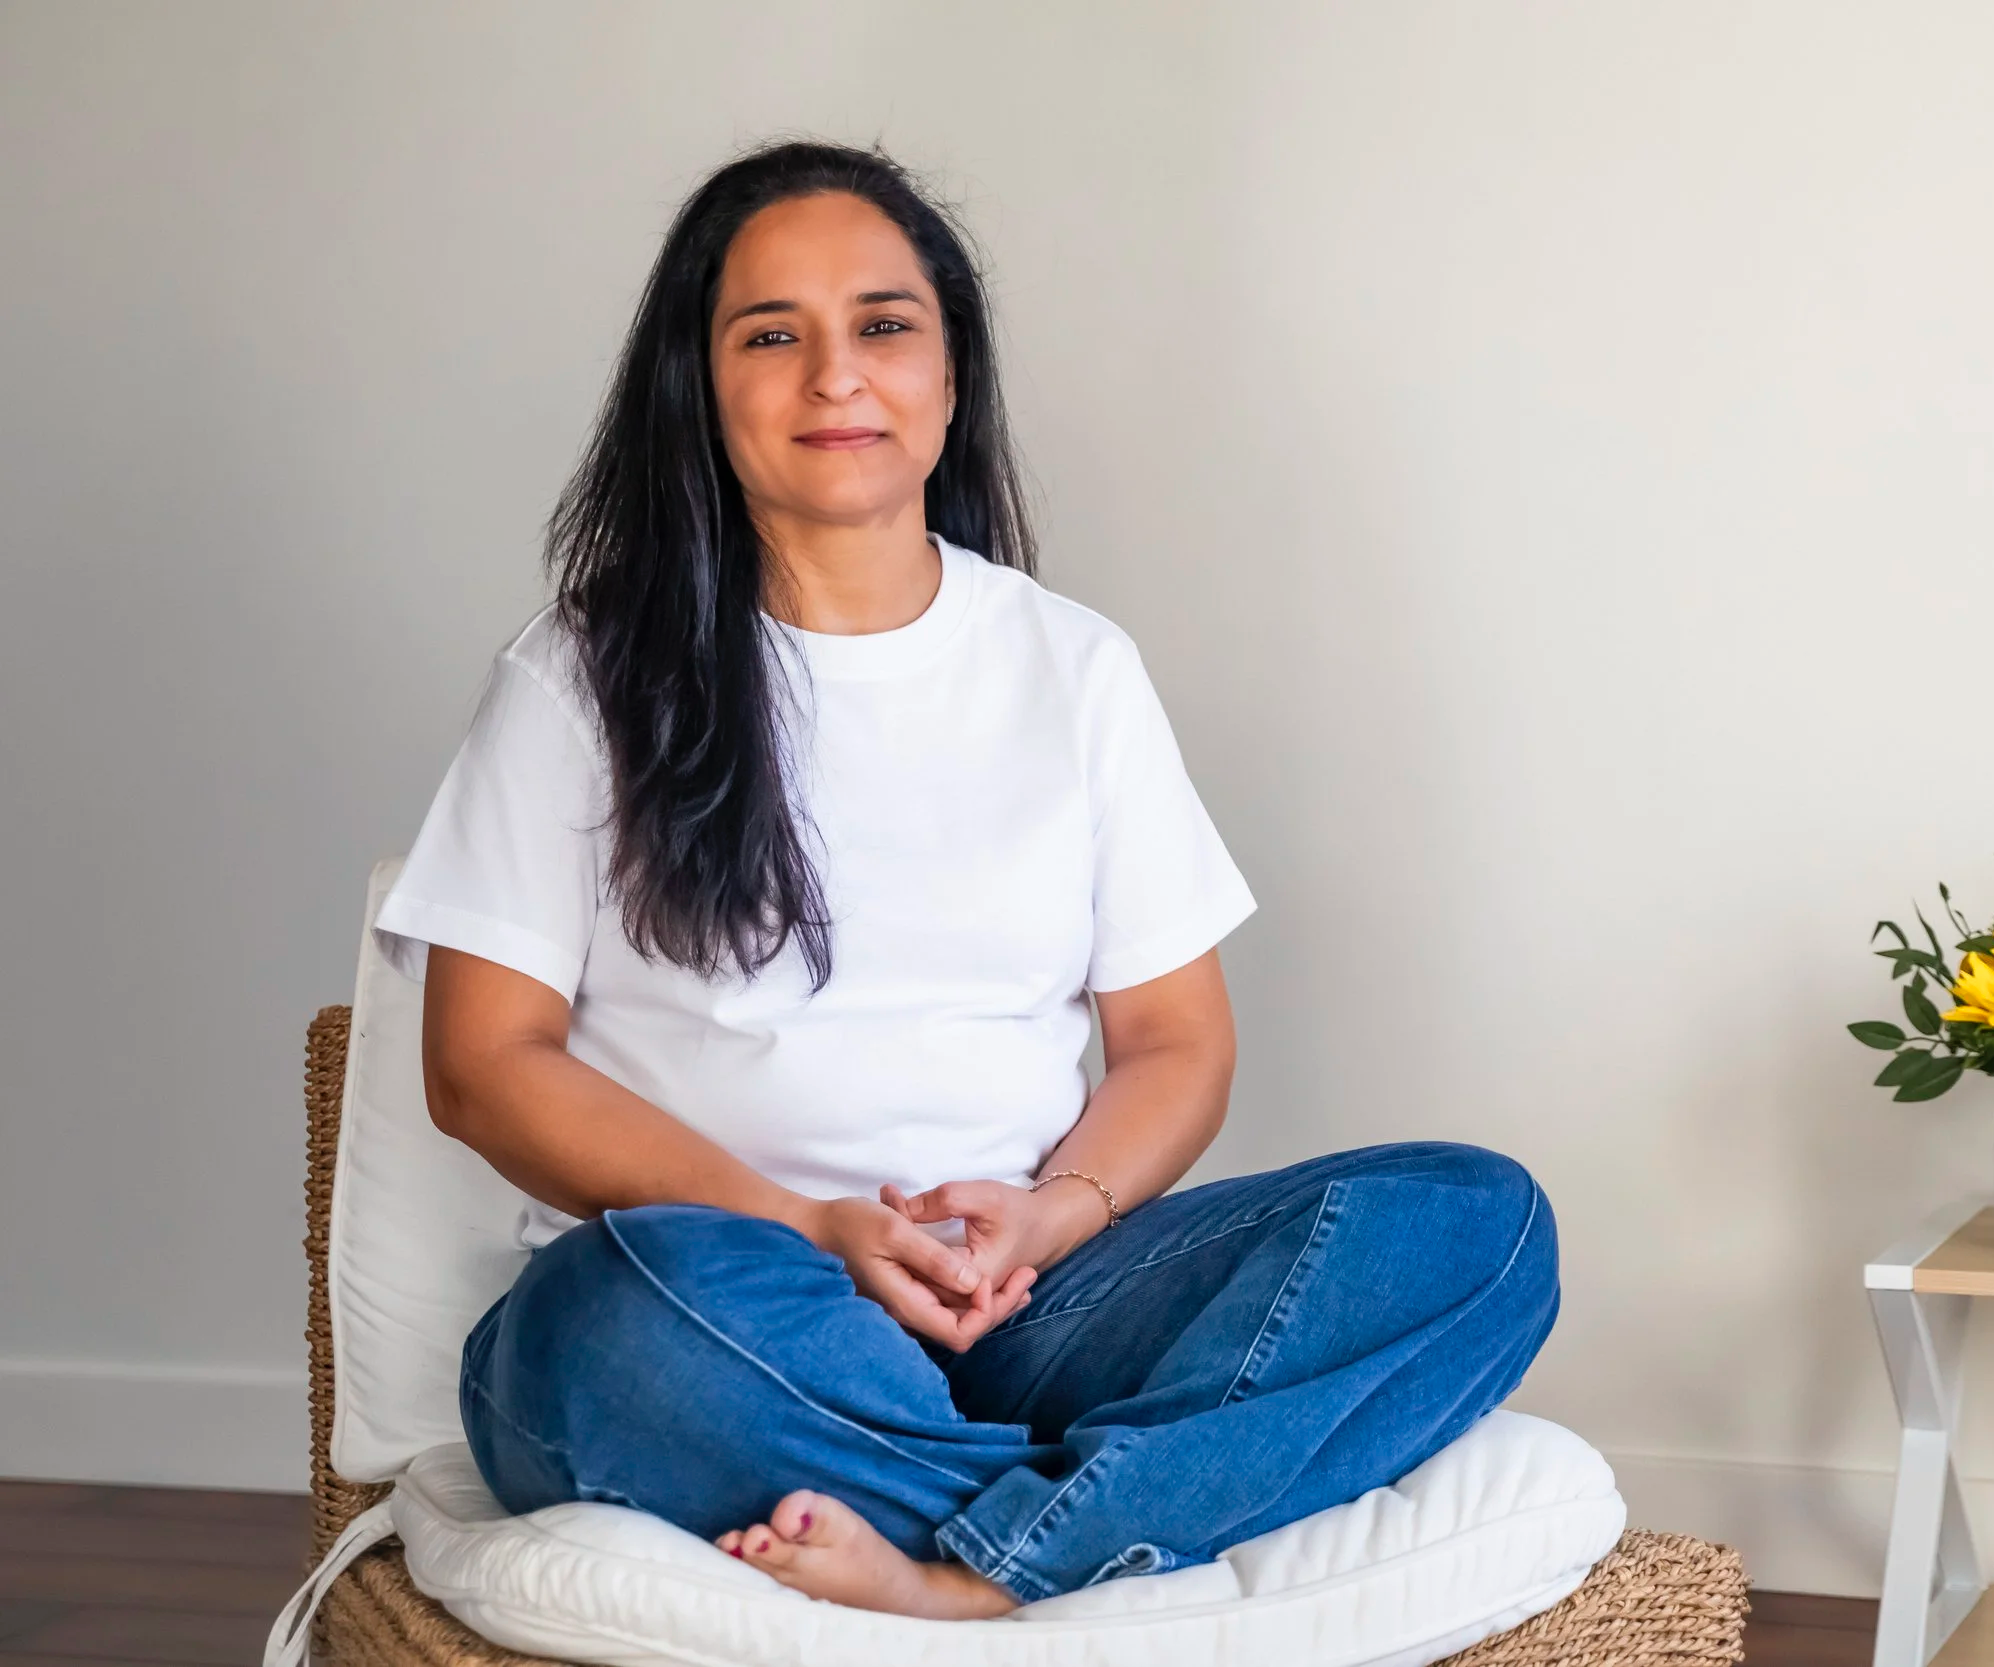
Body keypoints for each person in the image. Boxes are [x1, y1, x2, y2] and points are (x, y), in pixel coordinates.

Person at [376, 140, 1558, 1620]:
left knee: (1478, 1224)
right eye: (770, 336)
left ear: (948, 375)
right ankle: (1088, 1518)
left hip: (1037, 1305)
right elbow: (484, 1066)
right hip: (741, 1312)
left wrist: (1051, 1214)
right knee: (598, 1329)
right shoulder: (581, 677)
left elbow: (1176, 1043)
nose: (835, 375)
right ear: (700, 387)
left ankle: (971, 1573)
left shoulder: (1073, 667)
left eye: (883, 325)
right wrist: (806, 1228)